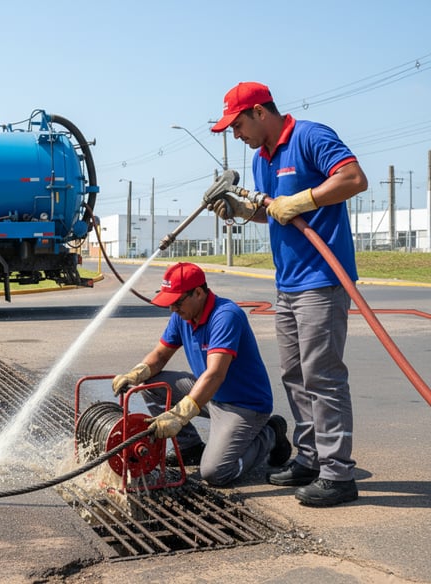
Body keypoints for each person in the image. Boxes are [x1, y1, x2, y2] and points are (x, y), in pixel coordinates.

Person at [210, 81, 368, 507]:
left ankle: (338, 474)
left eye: (237, 125)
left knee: (323, 376)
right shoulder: (261, 158)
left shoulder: (310, 137)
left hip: (322, 279)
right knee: (295, 375)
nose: (235, 134)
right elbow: (275, 211)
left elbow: (354, 179)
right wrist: (244, 211)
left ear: (260, 112)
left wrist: (302, 200)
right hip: (288, 283)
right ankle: (311, 459)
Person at [112, 262, 291, 487]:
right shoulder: (183, 316)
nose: (173, 309)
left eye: (177, 302)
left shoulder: (225, 316)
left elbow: (215, 374)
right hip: (210, 394)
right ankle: (190, 447)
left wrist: (180, 415)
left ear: (198, 293)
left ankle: (271, 434)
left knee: (216, 472)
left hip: (243, 406)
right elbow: (160, 355)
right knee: (150, 384)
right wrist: (136, 374)